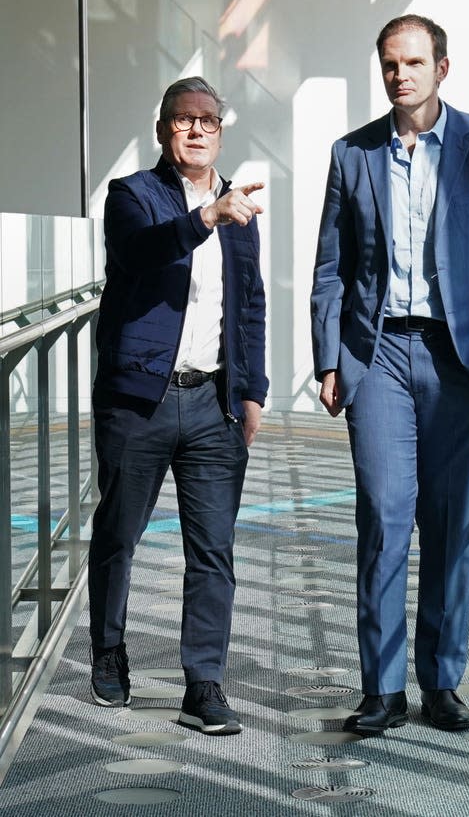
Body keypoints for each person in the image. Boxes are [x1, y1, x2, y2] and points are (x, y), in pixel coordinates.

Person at [310, 16, 469, 736]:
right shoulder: (352, 154)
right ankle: (382, 688)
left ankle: (441, 681)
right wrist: (328, 357)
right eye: (388, 63)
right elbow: (330, 269)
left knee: (450, 524)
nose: (399, 74)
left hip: (461, 361)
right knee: (383, 514)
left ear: (443, 67)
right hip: (377, 356)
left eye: (413, 62)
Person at [89, 76, 268, 736]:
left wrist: (253, 390)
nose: (195, 129)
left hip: (214, 402)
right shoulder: (132, 195)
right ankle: (108, 651)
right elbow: (140, 255)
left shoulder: (239, 210)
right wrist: (205, 218)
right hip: (140, 399)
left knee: (213, 549)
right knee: (118, 535)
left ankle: (204, 684)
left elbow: (250, 304)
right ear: (163, 130)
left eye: (207, 120)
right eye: (182, 120)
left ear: (220, 130)